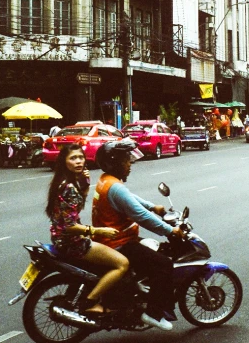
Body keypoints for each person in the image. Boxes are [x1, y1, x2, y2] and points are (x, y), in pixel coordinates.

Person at [92, 138, 184, 331]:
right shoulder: (115, 186)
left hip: (111, 239)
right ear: (114, 163)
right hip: (118, 243)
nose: (130, 164)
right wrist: (170, 230)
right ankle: (153, 313)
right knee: (164, 264)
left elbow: (130, 198)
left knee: (153, 249)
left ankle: (135, 294)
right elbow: (140, 216)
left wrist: (153, 206)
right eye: (126, 160)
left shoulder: (106, 181)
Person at [47, 144, 129, 315]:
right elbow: (70, 226)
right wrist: (99, 231)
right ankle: (90, 302)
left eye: (81, 157)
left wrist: (84, 186)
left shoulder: (63, 182)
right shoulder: (68, 187)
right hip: (73, 242)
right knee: (122, 264)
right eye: (73, 158)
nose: (78, 161)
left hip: (60, 238)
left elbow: (73, 209)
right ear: (64, 161)